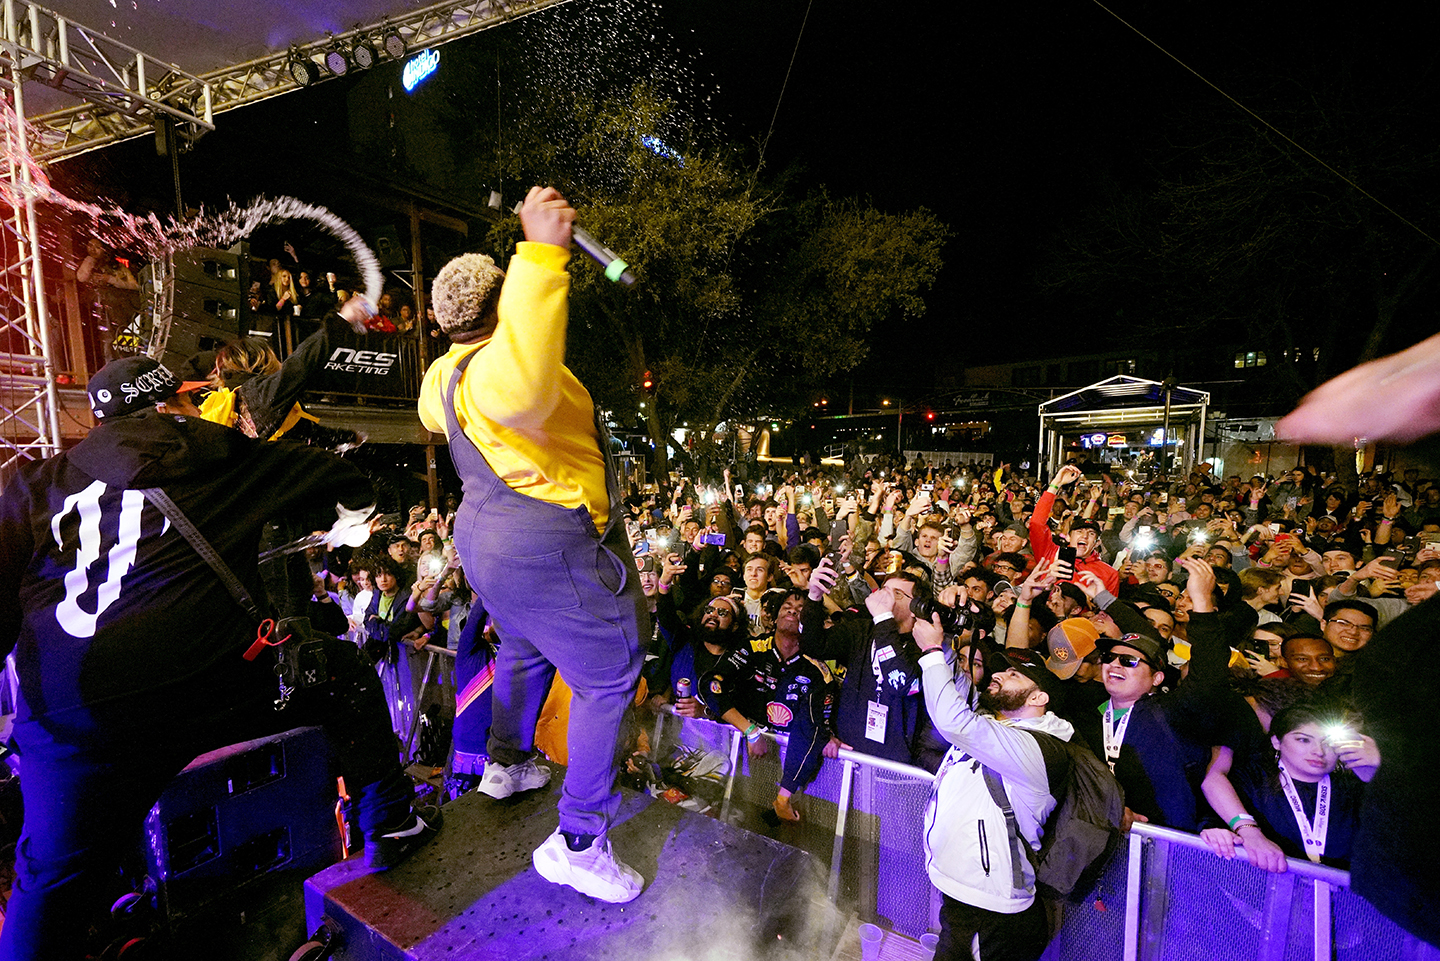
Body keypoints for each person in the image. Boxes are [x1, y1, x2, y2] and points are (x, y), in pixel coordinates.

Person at [0, 356, 435, 959]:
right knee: (342, 672)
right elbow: (348, 484)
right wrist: (344, 524)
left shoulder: (33, 485)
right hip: (208, 689)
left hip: (76, 719)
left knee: (49, 879)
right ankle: (388, 822)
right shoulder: (220, 454)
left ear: (97, 419)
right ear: (172, 401)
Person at [417, 186, 648, 904]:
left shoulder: (443, 376)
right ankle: (579, 840)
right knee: (610, 669)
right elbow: (525, 384)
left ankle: (509, 761)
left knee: (521, 644)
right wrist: (541, 254)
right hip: (543, 538)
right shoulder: (499, 374)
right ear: (502, 306)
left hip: (487, 535)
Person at [913, 598, 1075, 961]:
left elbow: (954, 721)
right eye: (1000, 670)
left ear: (1040, 696)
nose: (999, 675)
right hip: (964, 894)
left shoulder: (1040, 748)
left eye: (1014, 675)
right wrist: (946, 643)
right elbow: (952, 698)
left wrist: (929, 653)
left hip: (995, 910)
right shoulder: (998, 725)